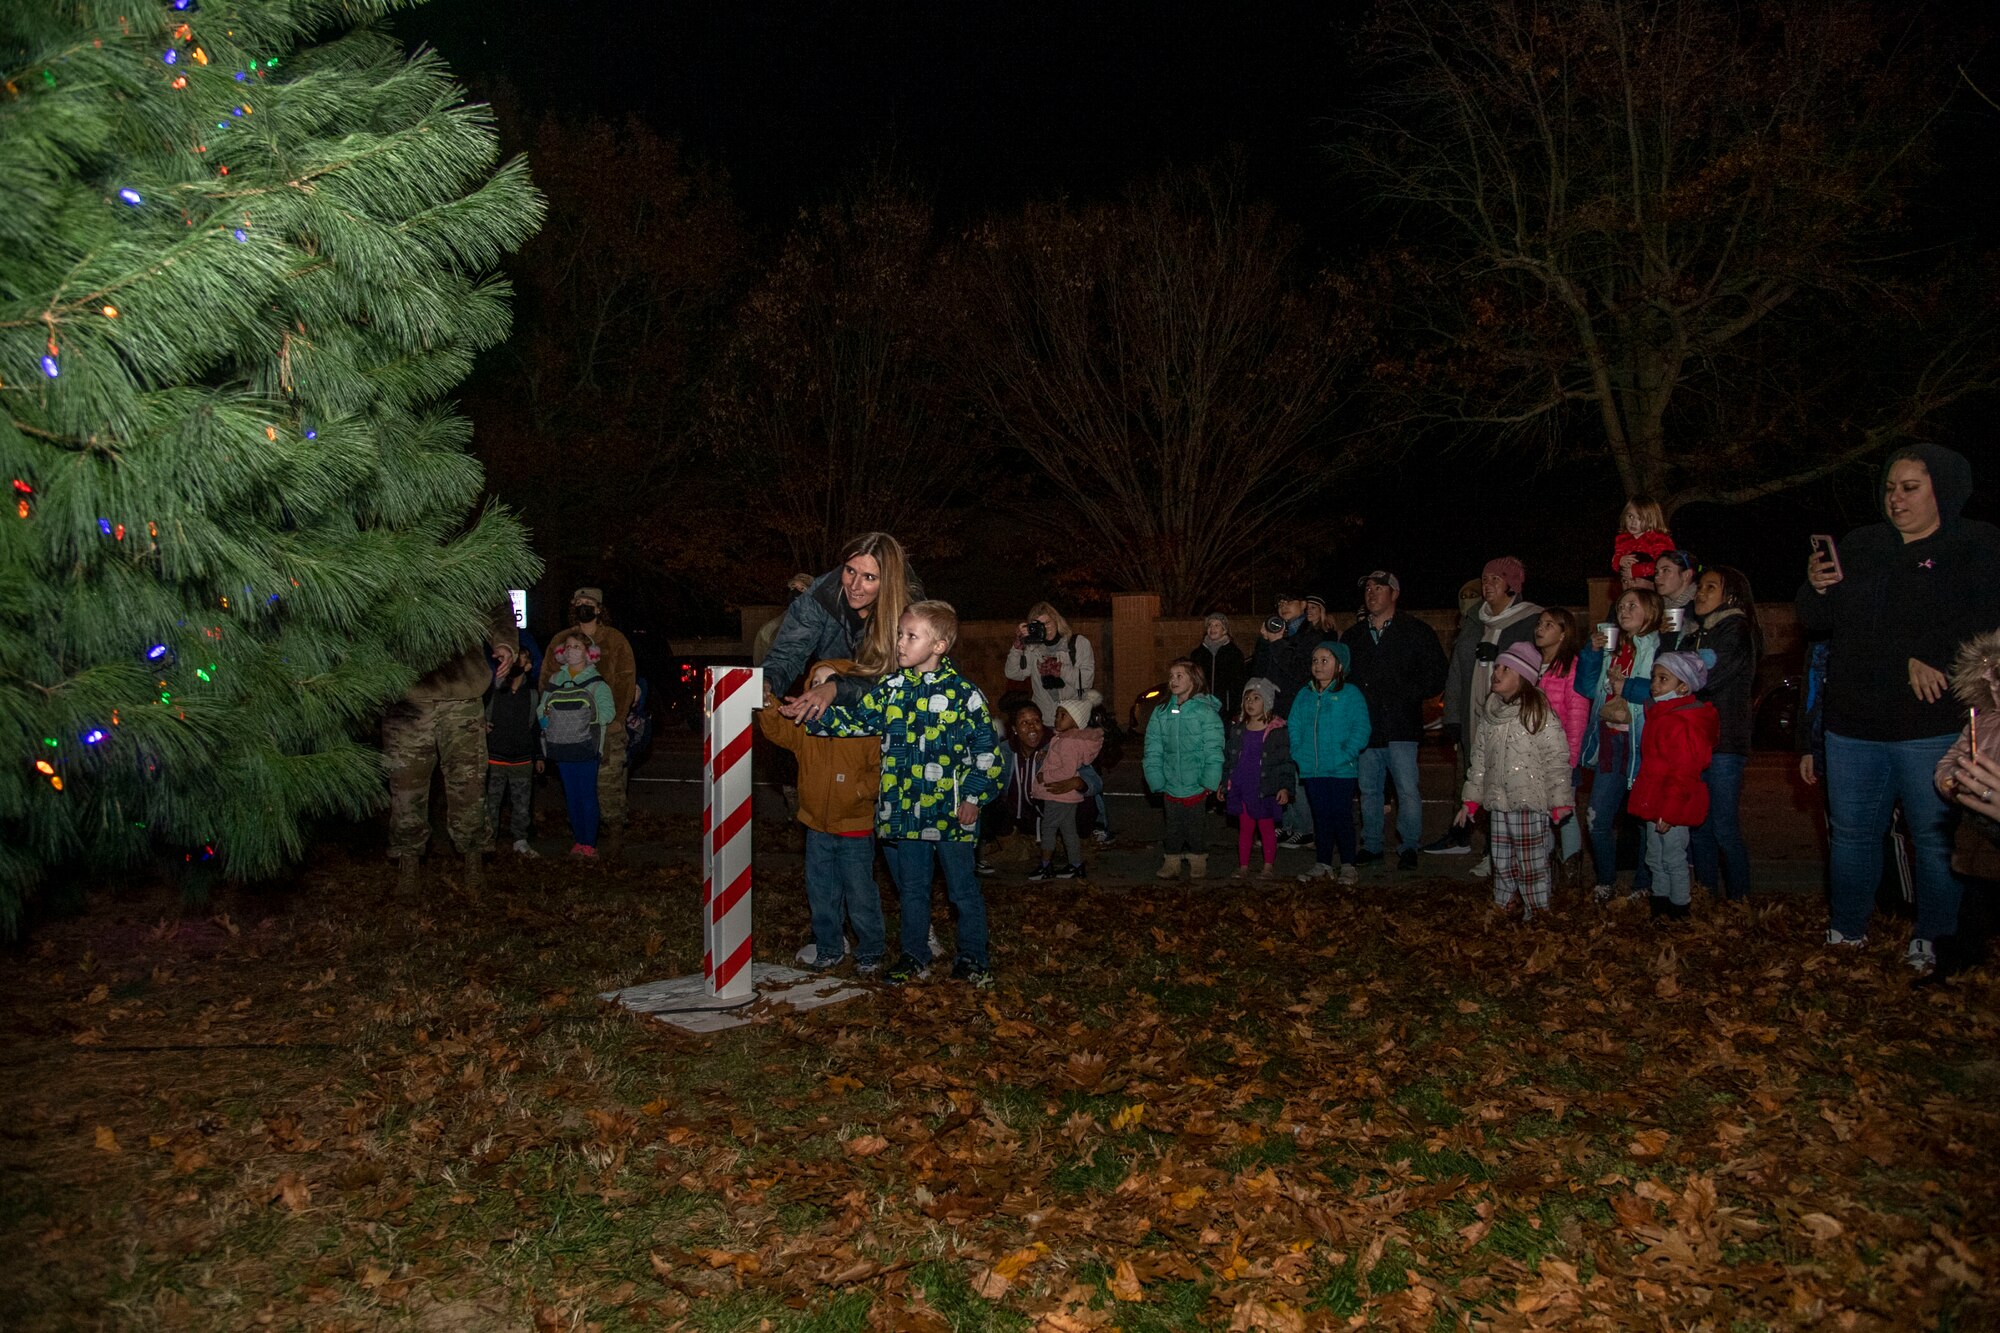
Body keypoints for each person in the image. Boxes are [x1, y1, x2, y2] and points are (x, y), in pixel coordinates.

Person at [1799, 444, 2000, 972]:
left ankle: (1933, 936)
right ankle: (1847, 928)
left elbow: (1982, 625)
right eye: (1891, 487)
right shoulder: (1863, 545)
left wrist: (1931, 656)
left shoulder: (1975, 545)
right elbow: (1824, 624)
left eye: (1910, 487)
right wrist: (1816, 588)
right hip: (1853, 723)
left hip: (1929, 726)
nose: (1896, 498)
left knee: (1933, 839)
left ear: (1943, 490)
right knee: (1851, 833)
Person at [806, 600, 1001, 987]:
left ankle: (973, 957)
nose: (900, 642)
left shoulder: (966, 696)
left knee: (962, 891)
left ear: (939, 646)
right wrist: (814, 712)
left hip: (951, 815)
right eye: (899, 634)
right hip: (907, 814)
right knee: (912, 891)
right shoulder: (891, 689)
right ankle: (915, 955)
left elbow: (987, 753)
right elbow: (857, 721)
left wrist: (973, 798)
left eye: (911, 636)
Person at [759, 659, 887, 974]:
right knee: (822, 893)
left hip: (854, 828)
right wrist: (766, 702)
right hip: (816, 826)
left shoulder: (864, 728)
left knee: (860, 894)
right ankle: (829, 947)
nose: (820, 688)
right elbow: (778, 729)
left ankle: (870, 950)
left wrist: (860, 791)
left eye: (829, 682)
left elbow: (880, 769)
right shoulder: (806, 729)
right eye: (814, 682)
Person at [384, 606, 517, 892]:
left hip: (462, 691)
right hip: (408, 693)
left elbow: (498, 609)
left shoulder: (474, 562)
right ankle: (408, 864)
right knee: (406, 787)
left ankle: (473, 859)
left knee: (469, 785)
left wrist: (504, 644)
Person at [1453, 643, 1574, 921]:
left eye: (1506, 669)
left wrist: (1559, 801)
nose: (1497, 672)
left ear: (1523, 678)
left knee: (1531, 863)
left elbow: (1556, 758)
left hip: (1528, 803)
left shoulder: (1538, 713)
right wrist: (1471, 800)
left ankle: (1537, 911)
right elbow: (1480, 759)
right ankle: (1504, 904)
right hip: (1499, 805)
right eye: (1497, 667)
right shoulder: (1491, 715)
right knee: (1503, 861)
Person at [1432, 557, 1543, 856]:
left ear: (1512, 585)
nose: (1488, 584)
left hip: (1510, 719)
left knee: (1506, 786)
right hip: (1473, 715)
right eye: (1485, 578)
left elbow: (1537, 669)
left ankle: (1502, 853)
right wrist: (1452, 715)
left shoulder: (1530, 620)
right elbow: (1456, 669)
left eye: (1496, 578)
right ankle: (1463, 837)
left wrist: (1501, 656)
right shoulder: (1473, 621)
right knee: (1473, 779)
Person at [1341, 570, 1448, 872]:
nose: (1371, 593)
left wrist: (1404, 692)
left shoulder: (1416, 631)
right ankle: (1372, 844)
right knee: (1369, 790)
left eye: (1379, 588)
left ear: (1395, 594)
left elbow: (1437, 675)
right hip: (1366, 729)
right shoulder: (1354, 636)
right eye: (1368, 589)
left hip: (1401, 726)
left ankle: (1409, 846)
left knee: (1406, 789)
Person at [771, 532, 921, 717]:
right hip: (838, 702)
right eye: (850, 571)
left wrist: (835, 689)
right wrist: (766, 683)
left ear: (888, 582)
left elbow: (905, 680)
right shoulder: (820, 596)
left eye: (869, 578)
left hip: (891, 711)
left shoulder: (911, 610)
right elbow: (787, 653)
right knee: (823, 673)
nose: (854, 586)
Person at [1578, 588, 1665, 901]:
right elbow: (1586, 687)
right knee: (1596, 818)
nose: (1623, 610)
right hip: (1610, 744)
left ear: (1652, 611)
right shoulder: (1614, 648)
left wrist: (1627, 686)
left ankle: (1644, 884)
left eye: (1633, 605)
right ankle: (1605, 881)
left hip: (1642, 746)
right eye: (1621, 605)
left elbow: (1664, 695)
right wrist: (1590, 653)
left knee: (1644, 820)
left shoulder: (1659, 647)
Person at [1004, 603, 1115, 843]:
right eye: (1038, 624)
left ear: (1057, 621)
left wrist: (1060, 669)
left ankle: (1099, 824)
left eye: (1048, 622)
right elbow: (1014, 673)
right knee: (1049, 772)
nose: (1044, 628)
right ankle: (1050, 826)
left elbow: (1086, 678)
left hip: (1074, 720)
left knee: (1085, 772)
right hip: (1045, 720)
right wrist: (1018, 645)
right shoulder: (1033, 648)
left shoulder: (1077, 644)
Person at [539, 588, 638, 855]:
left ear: (599, 608)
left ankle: (614, 837)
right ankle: (582, 839)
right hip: (570, 731)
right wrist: (550, 720)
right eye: (579, 603)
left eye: (589, 603)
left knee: (609, 787)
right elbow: (546, 680)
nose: (584, 607)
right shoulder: (561, 639)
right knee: (576, 789)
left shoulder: (615, 640)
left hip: (608, 730)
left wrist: (616, 720)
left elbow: (626, 681)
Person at [1686, 565, 1760, 900]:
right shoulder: (1696, 632)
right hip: (1697, 739)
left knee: (1724, 826)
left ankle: (1738, 902)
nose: (1700, 593)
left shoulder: (1735, 630)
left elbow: (1706, 677)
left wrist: (1682, 671)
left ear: (1729, 595)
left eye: (1710, 587)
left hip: (1724, 741)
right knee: (1700, 824)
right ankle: (1706, 898)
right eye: (1700, 586)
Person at [1627, 651, 1718, 921]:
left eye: (1663, 679)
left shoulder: (1681, 723)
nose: (1655, 684)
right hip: (1658, 801)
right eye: (1655, 677)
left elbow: (1683, 773)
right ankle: (1660, 904)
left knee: (1674, 858)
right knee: (1655, 856)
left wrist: (1670, 810)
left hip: (1673, 805)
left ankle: (1680, 909)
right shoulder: (1661, 716)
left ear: (1683, 686)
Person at [1289, 642, 1372, 886]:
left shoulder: (1350, 694)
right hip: (1313, 769)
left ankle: (1348, 864)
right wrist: (1298, 751)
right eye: (1315, 660)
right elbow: (1294, 724)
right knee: (1321, 817)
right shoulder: (1304, 694)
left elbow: (1361, 727)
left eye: (1325, 660)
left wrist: (1346, 753)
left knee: (1341, 816)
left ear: (1339, 666)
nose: (1318, 665)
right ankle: (1323, 863)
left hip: (1340, 770)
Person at [1251, 592, 1325, 848]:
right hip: (1275, 712)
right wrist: (1264, 642)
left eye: (1289, 601)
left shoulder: (1311, 635)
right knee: (1279, 771)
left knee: (1296, 773)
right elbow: (1259, 671)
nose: (1283, 606)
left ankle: (1306, 829)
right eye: (1280, 602)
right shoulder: (1275, 634)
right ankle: (1287, 824)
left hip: (1298, 711)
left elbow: (1298, 671)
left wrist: (1278, 643)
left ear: (1304, 605)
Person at [1143, 657, 1224, 881]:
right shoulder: (1162, 712)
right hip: (1170, 782)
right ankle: (1172, 861)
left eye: (1180, 676)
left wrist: (1210, 779)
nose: (1173, 680)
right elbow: (1153, 746)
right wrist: (1155, 777)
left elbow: (1214, 747)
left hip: (1196, 782)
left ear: (1194, 680)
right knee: (1173, 826)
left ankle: (1198, 859)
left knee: (1196, 826)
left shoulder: (1205, 712)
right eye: (1171, 676)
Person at [538, 636, 616, 858]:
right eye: (569, 646)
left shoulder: (597, 682)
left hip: (586, 747)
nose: (572, 650)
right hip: (561, 747)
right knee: (571, 796)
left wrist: (582, 718)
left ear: (589, 653)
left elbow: (608, 713)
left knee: (587, 794)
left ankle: (589, 844)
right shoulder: (555, 678)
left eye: (577, 647)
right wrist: (547, 722)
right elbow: (541, 709)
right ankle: (579, 841)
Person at [1533, 608, 1591, 880]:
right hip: (1533, 754)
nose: (1540, 629)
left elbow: (1577, 716)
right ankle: (1542, 869)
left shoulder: (1572, 667)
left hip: (1560, 754)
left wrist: (1570, 760)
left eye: (1549, 624)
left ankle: (1570, 872)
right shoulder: (1531, 664)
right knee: (1538, 814)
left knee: (1564, 813)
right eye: (1539, 623)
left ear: (1564, 633)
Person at [1221, 677, 1295, 880]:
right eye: (1247, 699)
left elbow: (1285, 763)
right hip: (1242, 788)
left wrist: (1284, 787)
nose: (1251, 703)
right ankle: (1243, 866)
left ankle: (1268, 866)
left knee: (1266, 829)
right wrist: (1224, 783)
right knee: (1245, 829)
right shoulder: (1238, 730)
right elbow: (1229, 760)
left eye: (1256, 698)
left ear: (1267, 703)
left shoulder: (1277, 732)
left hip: (1264, 788)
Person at [1030, 693, 1103, 881]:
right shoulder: (1065, 739)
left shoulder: (1069, 742)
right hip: (1064, 794)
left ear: (1076, 721)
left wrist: (1044, 776)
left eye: (1063, 715)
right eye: (1057, 715)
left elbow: (1067, 770)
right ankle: (1076, 865)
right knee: (1068, 830)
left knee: (1049, 828)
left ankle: (1046, 866)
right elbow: (1057, 757)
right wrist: (1044, 754)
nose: (1057, 719)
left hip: (1058, 793)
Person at [483, 643, 539, 856]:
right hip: (495, 757)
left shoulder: (532, 695)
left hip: (522, 759)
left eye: (520, 659)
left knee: (522, 804)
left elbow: (535, 727)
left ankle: (520, 840)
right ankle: (488, 841)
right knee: (491, 803)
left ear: (527, 666)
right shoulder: (493, 691)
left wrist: (539, 756)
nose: (514, 663)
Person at [981, 704, 1045, 875]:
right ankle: (1005, 844)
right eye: (1024, 722)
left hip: (1042, 821)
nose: (1032, 727)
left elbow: (1092, 782)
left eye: (1036, 721)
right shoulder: (1004, 751)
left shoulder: (1055, 750)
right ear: (1015, 729)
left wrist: (1074, 781)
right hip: (1012, 820)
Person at [1613, 496, 1676, 590]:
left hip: (1654, 586)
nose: (1633, 522)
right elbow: (1615, 561)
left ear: (1651, 521)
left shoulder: (1659, 539)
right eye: (1630, 516)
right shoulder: (1623, 539)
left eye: (1640, 519)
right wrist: (1619, 561)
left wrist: (1636, 571)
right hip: (1629, 584)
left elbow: (1664, 566)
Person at [752, 573, 815, 666]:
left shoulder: (825, 623)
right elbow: (760, 663)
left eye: (802, 589)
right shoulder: (769, 629)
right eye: (793, 588)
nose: (795, 593)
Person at [1192, 613, 1247, 720]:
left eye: (1217, 625)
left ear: (1224, 630)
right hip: (1201, 705)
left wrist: (1236, 708)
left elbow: (1239, 682)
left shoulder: (1234, 653)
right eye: (1210, 625)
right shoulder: (1197, 654)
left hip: (1225, 708)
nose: (1212, 628)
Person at [1652, 550, 1701, 651]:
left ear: (1686, 575)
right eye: (1656, 572)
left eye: (1666, 570)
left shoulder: (1699, 607)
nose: (1657, 577)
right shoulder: (1657, 608)